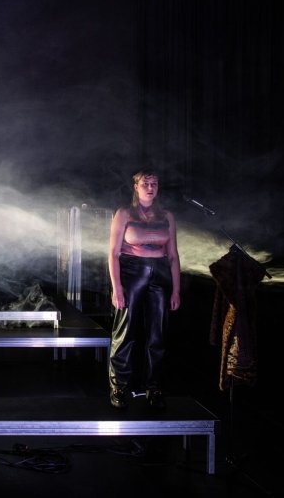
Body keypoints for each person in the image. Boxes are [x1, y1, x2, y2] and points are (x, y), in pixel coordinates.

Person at [107, 169, 181, 410]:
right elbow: (113, 253)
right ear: (136, 187)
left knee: (157, 334)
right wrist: (116, 287)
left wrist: (176, 290)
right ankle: (118, 385)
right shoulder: (125, 213)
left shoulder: (167, 216)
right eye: (145, 183)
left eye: (155, 183)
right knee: (126, 332)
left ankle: (154, 386)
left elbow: (173, 255)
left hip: (160, 273)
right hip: (132, 271)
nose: (151, 187)